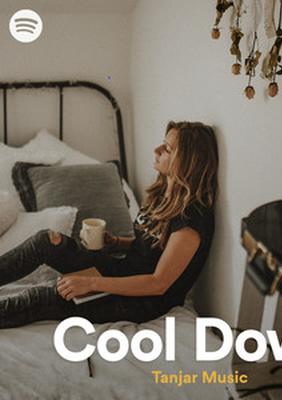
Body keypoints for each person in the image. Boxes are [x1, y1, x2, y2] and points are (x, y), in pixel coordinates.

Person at [0, 121, 218, 328]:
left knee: (45, 297)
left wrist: (89, 283)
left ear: (188, 161)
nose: (157, 150)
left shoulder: (191, 219)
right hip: (124, 271)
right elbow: (154, 245)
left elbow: (158, 283)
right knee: (47, 241)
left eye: (167, 149)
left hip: (142, 300)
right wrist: (117, 242)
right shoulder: (163, 195)